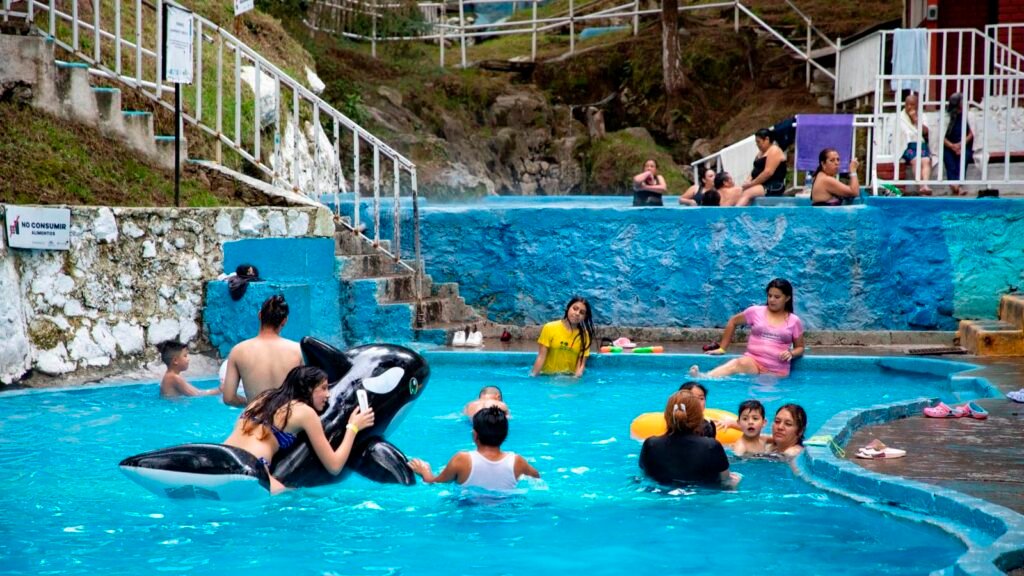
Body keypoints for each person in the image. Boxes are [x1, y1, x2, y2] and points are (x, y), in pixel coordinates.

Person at [223, 366, 375, 493]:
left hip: (222, 454)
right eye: (323, 388)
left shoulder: (262, 398)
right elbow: (334, 466)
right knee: (295, 497)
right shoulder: (304, 412)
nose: (328, 395)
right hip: (250, 469)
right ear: (308, 388)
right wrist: (353, 427)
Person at [690, 278, 805, 378]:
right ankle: (704, 377)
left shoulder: (794, 321)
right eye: (769, 296)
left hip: (776, 370)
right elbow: (733, 321)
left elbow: (800, 347)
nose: (772, 300)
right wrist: (722, 348)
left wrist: (791, 353)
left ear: (787, 298)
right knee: (738, 363)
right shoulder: (755, 311)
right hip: (753, 362)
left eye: (777, 297)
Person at [409, 406, 540, 491]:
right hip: (504, 512)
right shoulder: (517, 462)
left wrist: (424, 471)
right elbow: (537, 478)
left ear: (475, 435)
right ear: (505, 435)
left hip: (468, 509)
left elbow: (435, 483)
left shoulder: (462, 459)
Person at [638, 389, 740, 488]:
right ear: (698, 416)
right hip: (700, 498)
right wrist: (734, 483)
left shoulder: (651, 444)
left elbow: (644, 475)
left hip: (660, 496)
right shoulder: (711, 446)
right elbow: (725, 482)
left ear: (667, 416)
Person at [221, 295, 304, 406]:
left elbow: (229, 398)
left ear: (260, 315)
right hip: (287, 419)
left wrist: (251, 405)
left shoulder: (238, 351)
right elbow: (305, 395)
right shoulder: (298, 350)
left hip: (255, 419)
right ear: (284, 321)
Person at [531, 296, 595, 378]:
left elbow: (581, 364)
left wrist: (574, 380)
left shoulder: (585, 336)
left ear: (584, 317)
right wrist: (533, 377)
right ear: (568, 308)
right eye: (575, 308)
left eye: (582, 312)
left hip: (568, 379)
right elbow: (541, 357)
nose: (577, 313)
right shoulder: (549, 328)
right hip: (547, 378)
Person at [736, 128, 788, 206]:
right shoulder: (760, 153)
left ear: (767, 139)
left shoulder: (774, 150)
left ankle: (734, 214)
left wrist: (751, 184)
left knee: (747, 193)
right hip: (759, 184)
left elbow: (768, 173)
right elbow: (754, 169)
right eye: (756, 142)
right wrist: (747, 181)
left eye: (758, 142)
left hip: (774, 185)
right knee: (739, 192)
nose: (757, 145)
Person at [899, 91, 934, 194]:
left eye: (912, 105)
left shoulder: (922, 116)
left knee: (926, 160)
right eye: (907, 104)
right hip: (907, 146)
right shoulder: (901, 117)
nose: (909, 107)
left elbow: (926, 132)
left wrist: (916, 120)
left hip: (921, 145)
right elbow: (902, 135)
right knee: (916, 160)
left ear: (918, 106)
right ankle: (921, 186)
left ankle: (925, 185)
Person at [943, 92, 974, 196]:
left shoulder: (968, 115)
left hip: (964, 145)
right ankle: (957, 187)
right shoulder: (946, 116)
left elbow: (972, 133)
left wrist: (960, 145)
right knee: (949, 161)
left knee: (963, 158)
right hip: (948, 145)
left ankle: (957, 185)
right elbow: (940, 136)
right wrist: (952, 146)